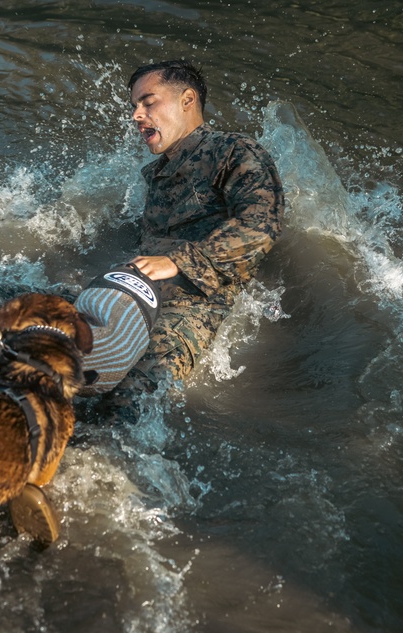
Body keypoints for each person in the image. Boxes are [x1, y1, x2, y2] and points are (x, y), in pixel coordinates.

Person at [103, 60, 283, 416]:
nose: (137, 115)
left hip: (193, 307)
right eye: (134, 106)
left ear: (187, 99)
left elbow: (262, 224)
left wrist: (177, 261)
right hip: (134, 300)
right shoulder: (157, 174)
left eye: (148, 102)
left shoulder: (234, 151)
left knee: (127, 396)